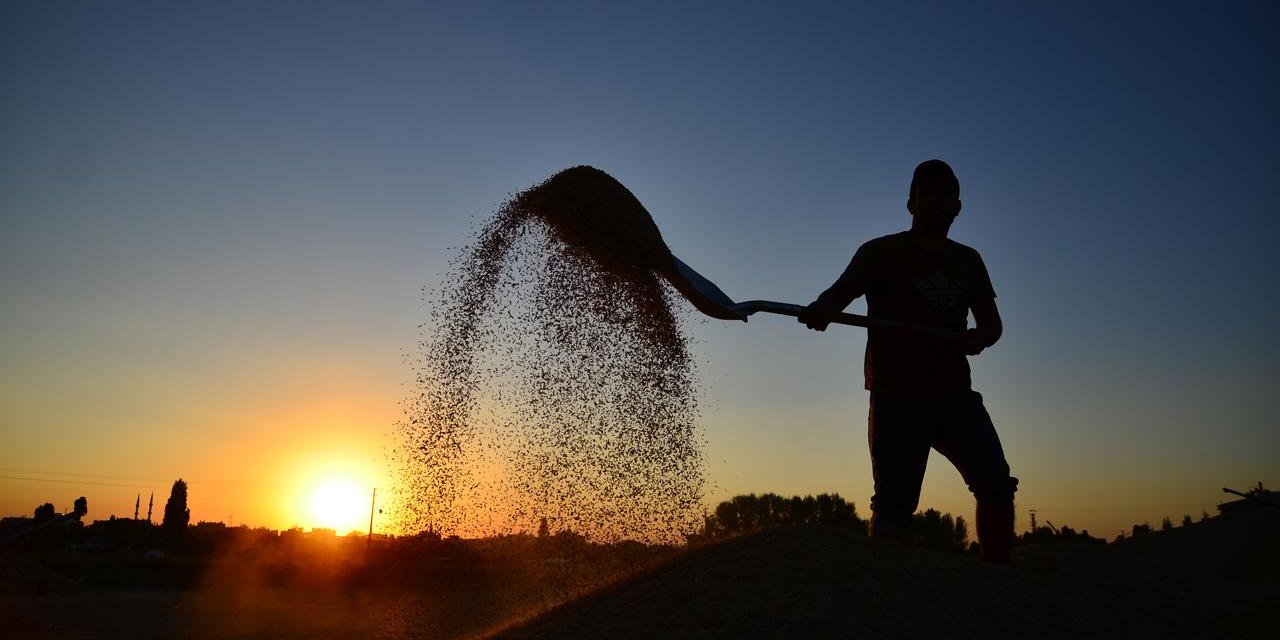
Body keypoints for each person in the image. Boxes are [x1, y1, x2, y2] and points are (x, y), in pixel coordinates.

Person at [797, 159, 1017, 564]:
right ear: (910, 204)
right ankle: (886, 592)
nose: (936, 200)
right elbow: (840, 292)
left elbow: (991, 323)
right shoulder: (880, 253)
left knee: (996, 484)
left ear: (958, 206)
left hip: (954, 394)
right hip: (896, 395)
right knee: (894, 506)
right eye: (926, 193)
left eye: (944, 194)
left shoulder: (968, 260)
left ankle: (998, 577)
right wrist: (822, 310)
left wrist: (980, 338)